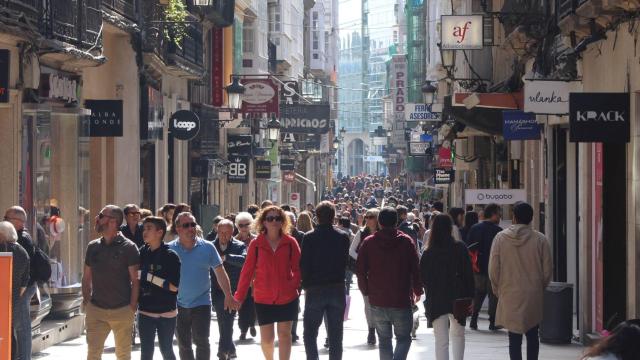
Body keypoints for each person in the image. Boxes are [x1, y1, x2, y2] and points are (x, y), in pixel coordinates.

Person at [168, 212, 239, 360]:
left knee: (202, 341)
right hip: (177, 304)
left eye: (193, 224)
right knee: (184, 343)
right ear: (178, 229)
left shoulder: (207, 247)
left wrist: (228, 295)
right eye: (186, 225)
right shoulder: (169, 249)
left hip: (202, 302)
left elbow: (220, 272)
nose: (190, 228)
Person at [234, 205, 301, 360]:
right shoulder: (256, 244)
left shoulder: (290, 242)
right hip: (263, 297)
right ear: (263, 222)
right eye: (270, 218)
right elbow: (247, 271)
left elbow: (298, 269)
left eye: (278, 218)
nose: (274, 221)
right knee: (267, 339)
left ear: (283, 221)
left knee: (285, 335)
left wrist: (293, 285)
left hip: (287, 297)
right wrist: (239, 296)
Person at [356, 207, 423, 360]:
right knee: (404, 339)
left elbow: (360, 270)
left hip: (378, 299)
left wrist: (366, 290)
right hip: (401, 299)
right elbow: (415, 268)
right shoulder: (406, 242)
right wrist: (418, 290)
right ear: (396, 221)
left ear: (379, 222)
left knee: (384, 341)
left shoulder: (369, 242)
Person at [489, 202, 552, 360]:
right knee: (532, 335)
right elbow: (547, 271)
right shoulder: (541, 240)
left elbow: (493, 269)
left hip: (509, 292)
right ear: (531, 218)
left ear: (513, 218)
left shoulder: (500, 238)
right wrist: (539, 287)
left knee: (514, 338)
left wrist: (499, 289)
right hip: (532, 294)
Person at [82, 205, 140, 360]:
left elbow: (136, 280)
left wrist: (132, 307)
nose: (97, 219)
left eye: (101, 215)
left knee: (123, 355)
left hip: (122, 310)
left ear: (113, 221)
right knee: (92, 354)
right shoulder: (93, 246)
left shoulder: (129, 247)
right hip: (96, 310)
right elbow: (86, 277)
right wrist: (88, 303)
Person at [300, 201, 350, 360]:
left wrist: (305, 285)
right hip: (336, 287)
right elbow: (345, 262)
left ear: (317, 217)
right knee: (336, 334)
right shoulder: (342, 237)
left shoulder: (309, 238)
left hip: (315, 288)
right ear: (334, 217)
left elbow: (304, 264)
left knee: (310, 333)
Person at [420, 214, 474, 360]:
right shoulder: (460, 248)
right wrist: (472, 298)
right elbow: (469, 275)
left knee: (441, 340)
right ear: (450, 228)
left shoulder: (428, 251)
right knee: (458, 335)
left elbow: (423, 277)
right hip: (459, 297)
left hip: (436, 299)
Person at [138, 216, 181, 360]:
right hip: (145, 311)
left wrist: (149, 277)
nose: (145, 231)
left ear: (159, 232)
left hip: (166, 312)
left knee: (167, 351)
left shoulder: (171, 255)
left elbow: (174, 287)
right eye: (144, 228)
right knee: (146, 353)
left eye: (149, 228)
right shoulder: (142, 252)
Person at [4, 206, 37, 360]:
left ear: (20, 222)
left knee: (21, 327)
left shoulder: (21, 240)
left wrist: (18, 293)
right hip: (18, 288)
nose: (5, 220)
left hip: (22, 289)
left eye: (8, 218)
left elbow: (23, 275)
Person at [212, 220, 247, 360]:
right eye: (221, 232)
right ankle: (230, 348)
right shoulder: (211, 246)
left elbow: (245, 260)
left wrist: (226, 257)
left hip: (232, 289)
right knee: (223, 318)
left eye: (226, 233)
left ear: (232, 232)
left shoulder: (239, 246)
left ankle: (223, 350)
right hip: (216, 289)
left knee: (227, 318)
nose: (223, 235)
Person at [466, 203, 502, 330]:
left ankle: (474, 319)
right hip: (493, 268)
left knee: (478, 294)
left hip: (477, 268)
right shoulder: (498, 232)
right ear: (493, 214)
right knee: (493, 296)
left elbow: (469, 247)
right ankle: (493, 321)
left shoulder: (475, 228)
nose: (500, 217)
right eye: (498, 214)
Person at [349, 208, 380, 345]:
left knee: (380, 303)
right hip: (366, 275)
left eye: (371, 216)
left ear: (377, 218)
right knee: (368, 304)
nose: (367, 219)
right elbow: (351, 250)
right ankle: (371, 330)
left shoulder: (383, 233)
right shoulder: (361, 233)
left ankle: (380, 328)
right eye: (366, 216)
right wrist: (362, 261)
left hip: (381, 274)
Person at [0, 221, 30, 360]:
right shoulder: (23, 252)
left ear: (1, 235)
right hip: (13, 301)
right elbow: (25, 282)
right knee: (9, 332)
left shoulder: (2, 248)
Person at [234, 212, 257, 340]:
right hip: (240, 278)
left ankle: (252, 324)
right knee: (241, 304)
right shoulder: (234, 241)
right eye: (241, 225)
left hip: (254, 278)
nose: (243, 227)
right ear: (237, 226)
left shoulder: (256, 239)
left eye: (246, 224)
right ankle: (243, 329)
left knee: (252, 304)